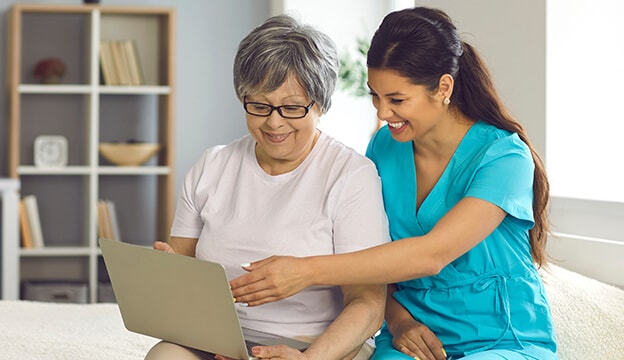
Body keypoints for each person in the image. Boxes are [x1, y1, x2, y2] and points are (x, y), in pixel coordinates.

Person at [230, 7, 558, 360]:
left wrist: (306, 270)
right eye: (375, 96)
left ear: (443, 87)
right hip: (411, 335)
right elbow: (376, 262)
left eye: (397, 99)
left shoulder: (504, 158)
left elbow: (431, 255)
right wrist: (399, 322)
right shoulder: (384, 148)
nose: (382, 113)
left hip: (501, 339)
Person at [145, 13, 390, 360]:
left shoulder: (351, 175)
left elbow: (367, 304)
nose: (274, 122)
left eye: (291, 108)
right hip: (219, 341)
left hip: (317, 347)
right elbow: (183, 268)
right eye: (259, 106)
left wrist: (309, 358)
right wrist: (171, 275)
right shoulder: (211, 166)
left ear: (319, 104)